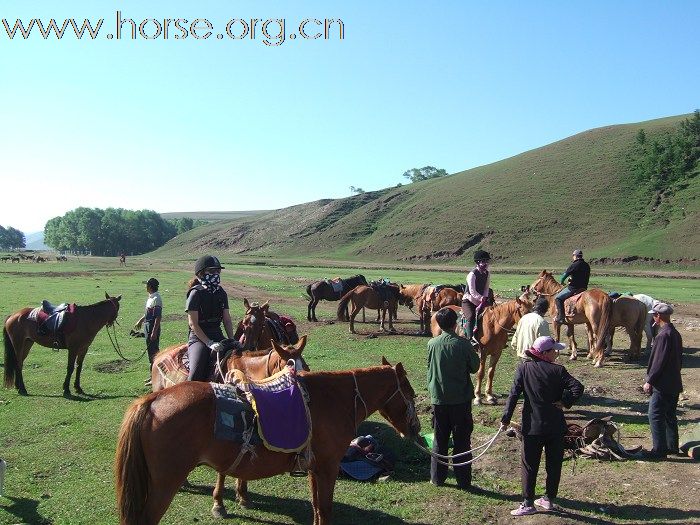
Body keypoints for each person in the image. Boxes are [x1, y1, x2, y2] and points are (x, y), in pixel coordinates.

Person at [500, 336, 584, 516]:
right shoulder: (559, 371)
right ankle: (548, 499)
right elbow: (578, 387)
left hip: (532, 427)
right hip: (555, 427)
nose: (556, 353)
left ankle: (528, 503)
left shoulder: (523, 369)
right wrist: (564, 401)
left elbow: (513, 395)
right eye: (554, 350)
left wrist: (506, 418)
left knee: (529, 465)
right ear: (545, 354)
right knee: (554, 465)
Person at [427, 307, 481, 489]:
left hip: (439, 399)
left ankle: (437, 478)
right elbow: (474, 368)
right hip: (460, 400)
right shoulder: (464, 344)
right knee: (462, 441)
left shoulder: (432, 344)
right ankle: (463, 480)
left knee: (439, 440)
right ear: (455, 323)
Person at [642, 302, 684, 459]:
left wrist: (650, 381)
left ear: (658, 316)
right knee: (669, 415)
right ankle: (672, 447)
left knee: (655, 414)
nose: (653, 316)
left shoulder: (662, 336)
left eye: (654, 314)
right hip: (674, 382)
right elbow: (679, 361)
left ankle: (659, 451)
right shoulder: (675, 334)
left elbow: (658, 362)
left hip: (662, 384)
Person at [185, 255, 235, 382]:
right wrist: (209, 343)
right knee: (196, 371)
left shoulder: (221, 293)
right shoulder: (195, 293)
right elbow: (193, 324)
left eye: (218, 271)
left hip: (217, 334)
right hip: (198, 338)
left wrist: (232, 340)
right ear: (201, 273)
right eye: (212, 271)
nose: (216, 274)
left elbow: (227, 320)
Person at [133, 277, 162, 386]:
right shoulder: (151, 297)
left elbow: (158, 317)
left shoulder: (156, 299)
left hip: (152, 327)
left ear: (150, 286)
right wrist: (140, 321)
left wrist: (154, 332)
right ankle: (152, 376)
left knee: (153, 353)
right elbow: (148, 313)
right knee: (151, 353)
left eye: (147, 285)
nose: (145, 287)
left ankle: (155, 378)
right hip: (147, 326)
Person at [462, 250, 493, 339]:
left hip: (481, 300)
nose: (486, 263)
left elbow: (486, 288)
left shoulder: (487, 273)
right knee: (471, 317)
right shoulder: (472, 274)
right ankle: (469, 338)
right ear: (478, 262)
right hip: (469, 300)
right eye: (483, 261)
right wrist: (481, 298)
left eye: (487, 261)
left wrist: (485, 297)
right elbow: (472, 291)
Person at [554, 249, 590, 324]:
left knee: (558, 298)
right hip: (584, 288)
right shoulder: (587, 265)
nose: (573, 257)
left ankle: (561, 317)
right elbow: (581, 276)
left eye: (573, 256)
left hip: (573, 288)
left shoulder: (574, 265)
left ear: (575, 256)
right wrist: (572, 278)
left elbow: (564, 275)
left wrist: (562, 282)